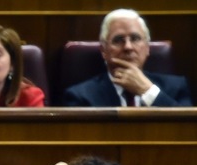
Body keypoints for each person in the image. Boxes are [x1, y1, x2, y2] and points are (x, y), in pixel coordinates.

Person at [63, 9, 192, 107]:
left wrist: (148, 91)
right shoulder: (80, 96)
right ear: (104, 51)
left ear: (147, 48)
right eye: (118, 40)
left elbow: (187, 132)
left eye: (135, 38)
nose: (128, 47)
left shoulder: (176, 88)